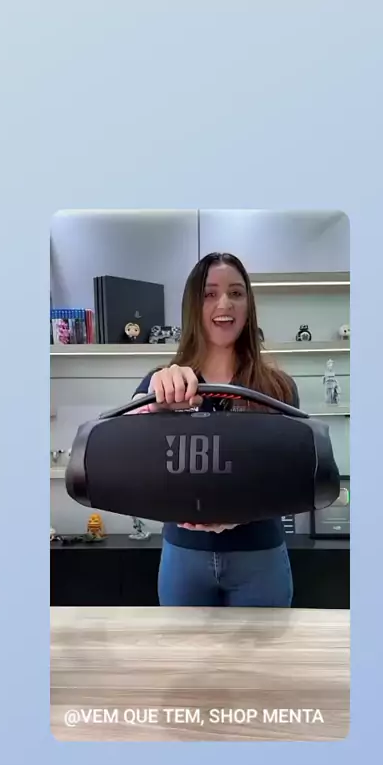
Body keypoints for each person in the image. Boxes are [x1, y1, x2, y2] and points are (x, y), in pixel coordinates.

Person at [129, 252, 300, 607]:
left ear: (249, 306)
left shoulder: (278, 388)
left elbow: (293, 476)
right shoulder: (162, 384)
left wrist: (242, 513)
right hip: (183, 557)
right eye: (210, 294)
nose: (224, 304)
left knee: (263, 647)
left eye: (236, 293)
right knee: (184, 647)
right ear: (194, 305)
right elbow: (127, 457)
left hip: (260, 558)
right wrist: (153, 401)